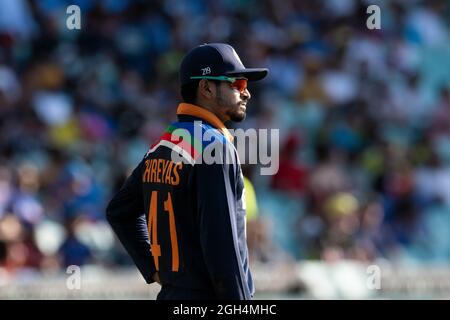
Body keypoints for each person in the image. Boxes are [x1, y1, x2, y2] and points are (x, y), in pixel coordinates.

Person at [106, 43, 268, 300]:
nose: (246, 93)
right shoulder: (214, 146)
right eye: (236, 84)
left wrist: (156, 271)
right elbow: (222, 248)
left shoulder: (163, 145)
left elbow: (119, 212)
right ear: (205, 87)